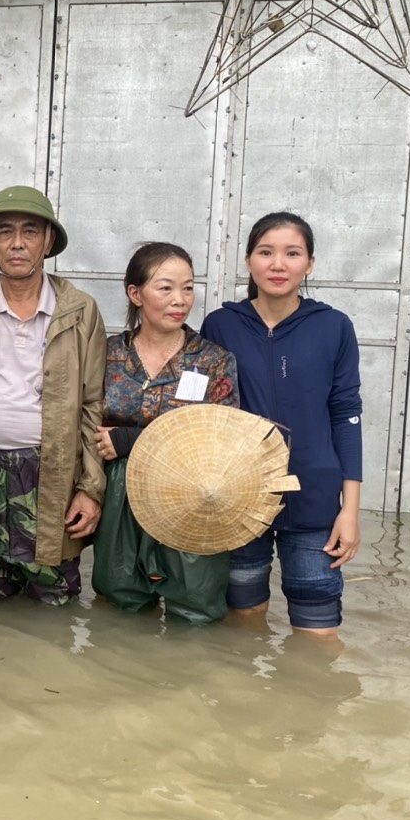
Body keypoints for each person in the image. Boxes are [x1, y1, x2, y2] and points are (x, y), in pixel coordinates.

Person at [0, 185, 105, 606]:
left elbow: (92, 406)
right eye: (5, 231)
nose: (17, 243)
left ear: (48, 241)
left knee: (55, 602)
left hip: (53, 475)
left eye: (30, 231)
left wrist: (91, 488)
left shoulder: (80, 309)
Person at [201, 212, 362, 636]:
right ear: (249, 261)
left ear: (309, 264)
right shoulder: (220, 325)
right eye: (266, 252)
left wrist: (350, 511)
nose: (278, 264)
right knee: (243, 619)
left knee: (318, 630)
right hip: (238, 498)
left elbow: (346, 415)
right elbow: (202, 414)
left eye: (292, 253)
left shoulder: (333, 326)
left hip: (314, 502)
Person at [92, 242, 240, 623]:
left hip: (192, 495)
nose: (180, 300)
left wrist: (128, 439)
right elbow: (83, 425)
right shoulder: (105, 355)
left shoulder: (212, 360)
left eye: (188, 288)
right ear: (135, 294)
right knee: (119, 606)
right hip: (120, 492)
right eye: (166, 288)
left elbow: (218, 439)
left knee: (196, 609)